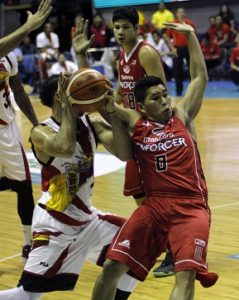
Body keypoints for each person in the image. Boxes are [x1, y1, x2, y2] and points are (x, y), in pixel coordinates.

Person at [92, 22, 219, 300]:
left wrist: (190, 37)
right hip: (154, 206)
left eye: (165, 95)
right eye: (156, 98)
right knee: (112, 266)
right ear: (140, 106)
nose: (164, 101)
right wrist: (81, 63)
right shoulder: (135, 122)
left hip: (191, 207)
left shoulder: (182, 116)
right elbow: (100, 101)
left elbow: (200, 78)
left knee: (185, 275)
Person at [0, 71, 138, 299]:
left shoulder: (91, 123)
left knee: (137, 249)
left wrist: (111, 110)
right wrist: (66, 108)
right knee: (29, 295)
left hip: (87, 220)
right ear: (60, 96)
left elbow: (125, 153)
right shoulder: (40, 132)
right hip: (55, 225)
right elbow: (64, 147)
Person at [74, 10, 174, 277]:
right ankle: (166, 242)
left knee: (155, 195)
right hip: (133, 129)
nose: (120, 32)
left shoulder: (146, 53)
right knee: (141, 194)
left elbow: (161, 92)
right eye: (116, 27)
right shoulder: (122, 57)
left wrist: (158, 130)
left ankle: (174, 249)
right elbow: (120, 91)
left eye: (125, 27)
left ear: (137, 29)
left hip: (149, 132)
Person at [0, 0, 52, 262]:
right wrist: (28, 27)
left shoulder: (8, 55)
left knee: (23, 188)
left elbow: (18, 90)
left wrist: (35, 124)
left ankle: (28, 242)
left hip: (7, 133)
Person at [166, 7, 196, 96]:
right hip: (177, 49)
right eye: (179, 12)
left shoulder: (190, 23)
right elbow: (167, 37)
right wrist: (172, 48)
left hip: (188, 48)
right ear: (177, 14)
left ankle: (193, 90)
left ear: (185, 13)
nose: (181, 14)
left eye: (183, 12)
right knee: (177, 70)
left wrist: (192, 48)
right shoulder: (173, 24)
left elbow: (194, 37)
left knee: (192, 69)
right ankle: (178, 91)